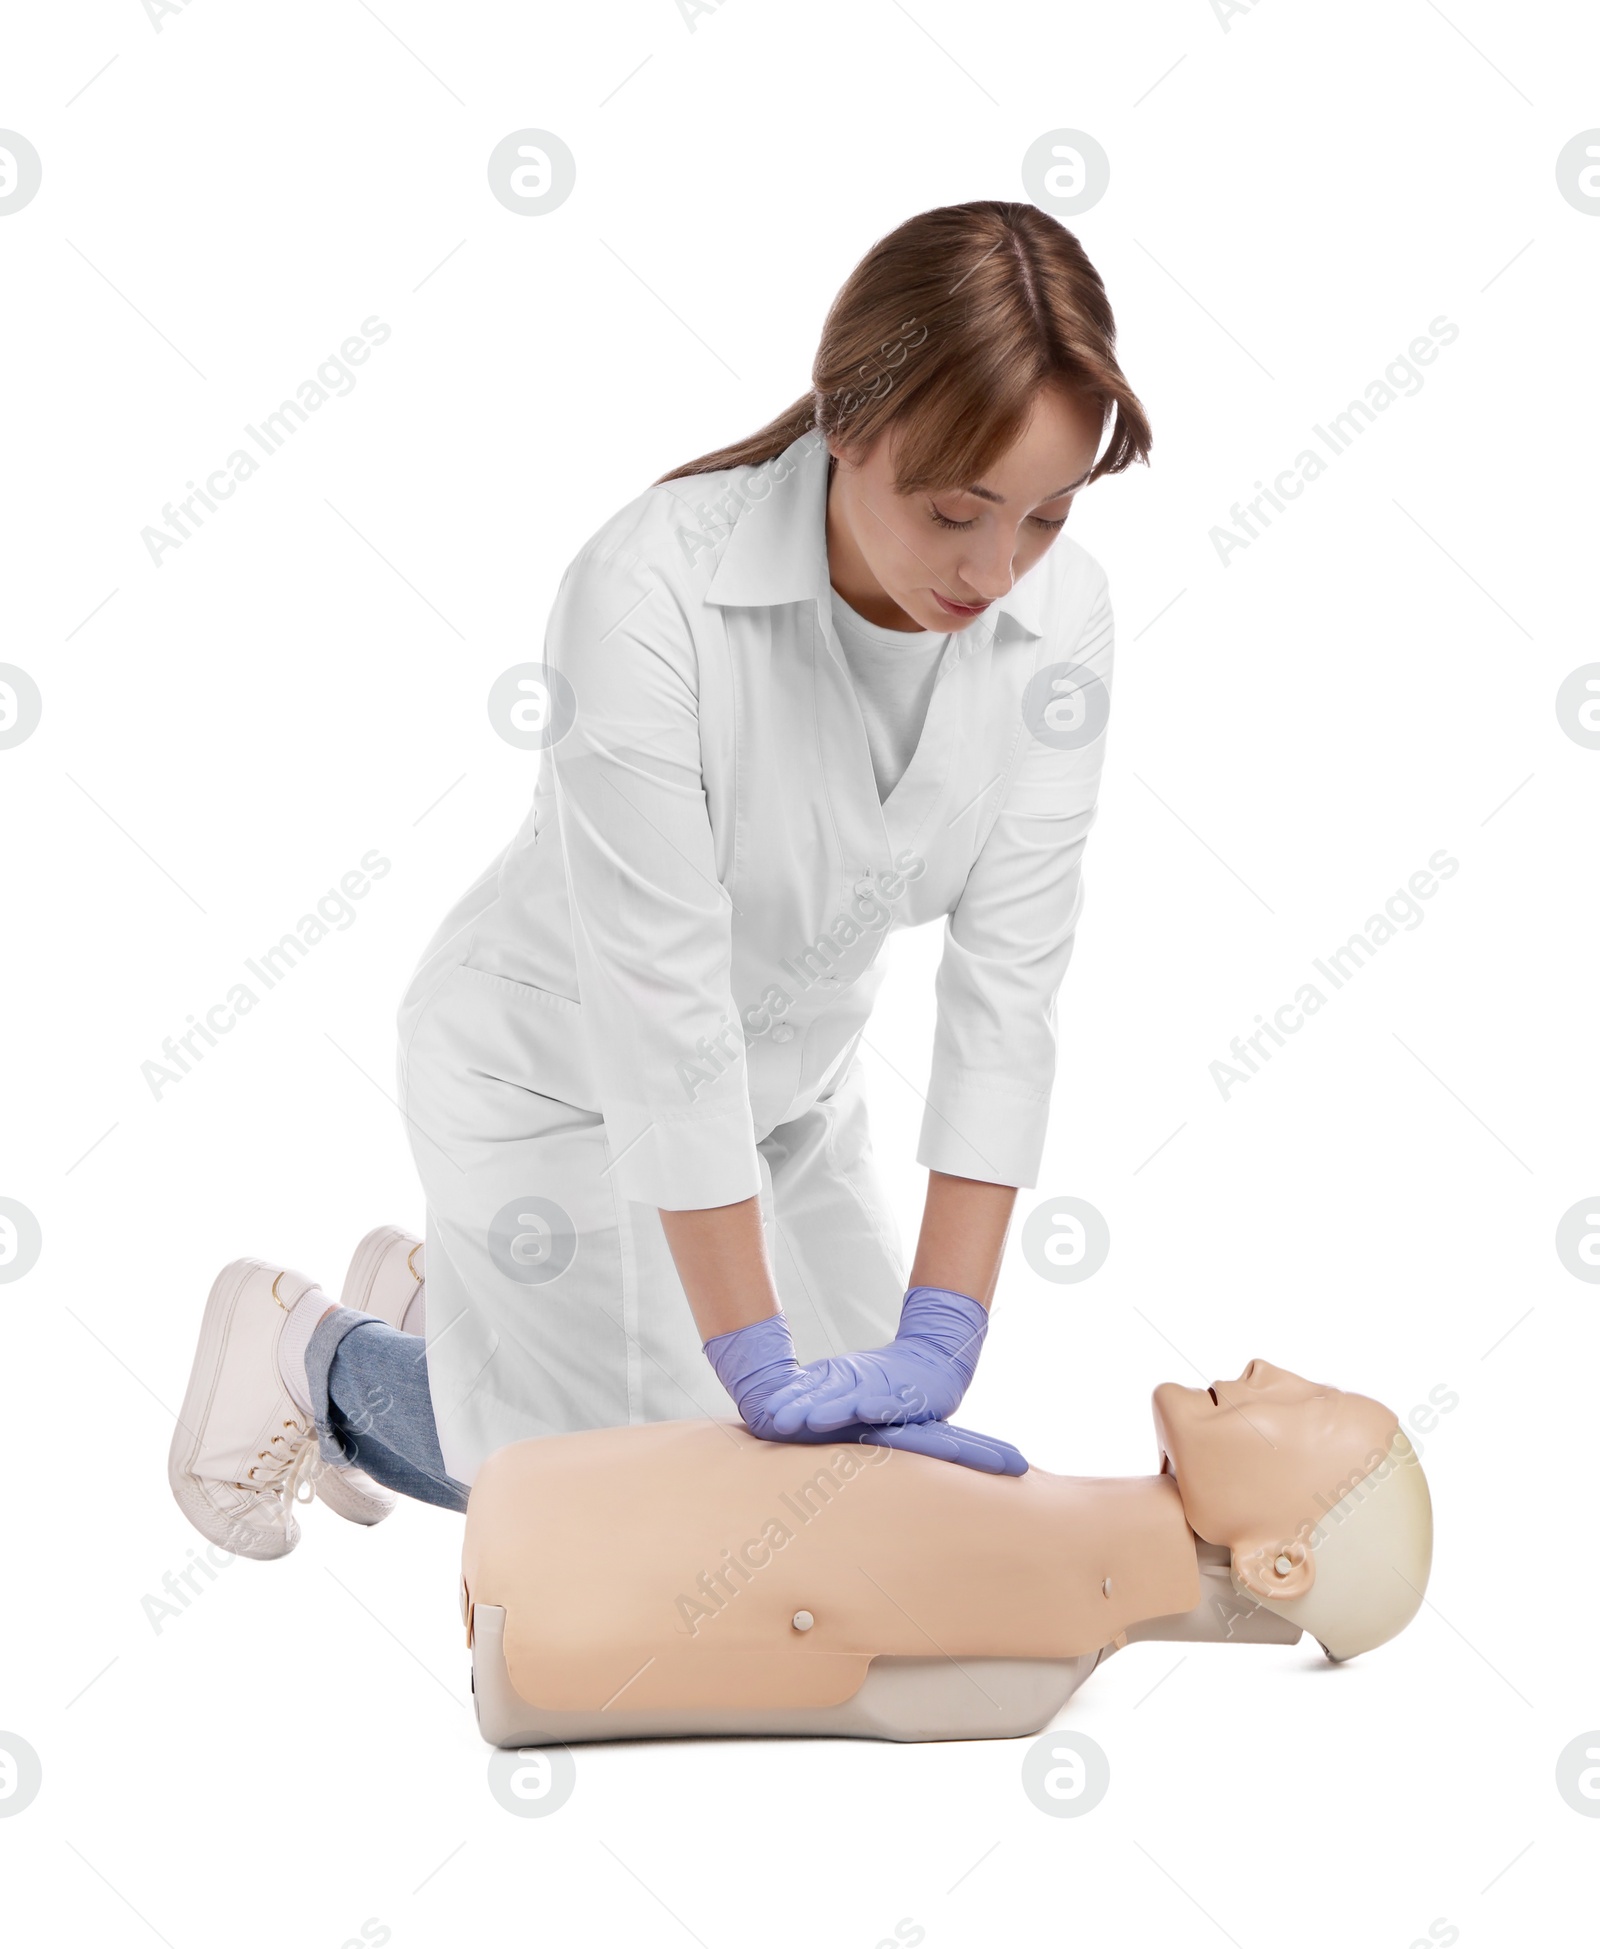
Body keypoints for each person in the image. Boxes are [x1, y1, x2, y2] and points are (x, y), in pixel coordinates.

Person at [168, 199, 1153, 1560]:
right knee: (675, 1532)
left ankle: (454, 1309)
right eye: (954, 511)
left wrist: (947, 1325)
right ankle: (313, 1359)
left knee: (882, 1517)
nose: (997, 571)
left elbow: (1011, 987)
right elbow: (666, 1003)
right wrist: (748, 1360)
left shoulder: (1064, 613)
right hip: (556, 1076)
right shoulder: (650, 588)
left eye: (1045, 515)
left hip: (784, 1107)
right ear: (846, 425)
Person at [459, 1359, 1434, 1745]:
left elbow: (808, 1631)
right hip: (525, 1560)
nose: (1273, 1370)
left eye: (1311, 1407)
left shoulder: (1047, 1617)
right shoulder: (1050, 1567)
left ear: (1277, 1568)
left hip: (529, 1605)